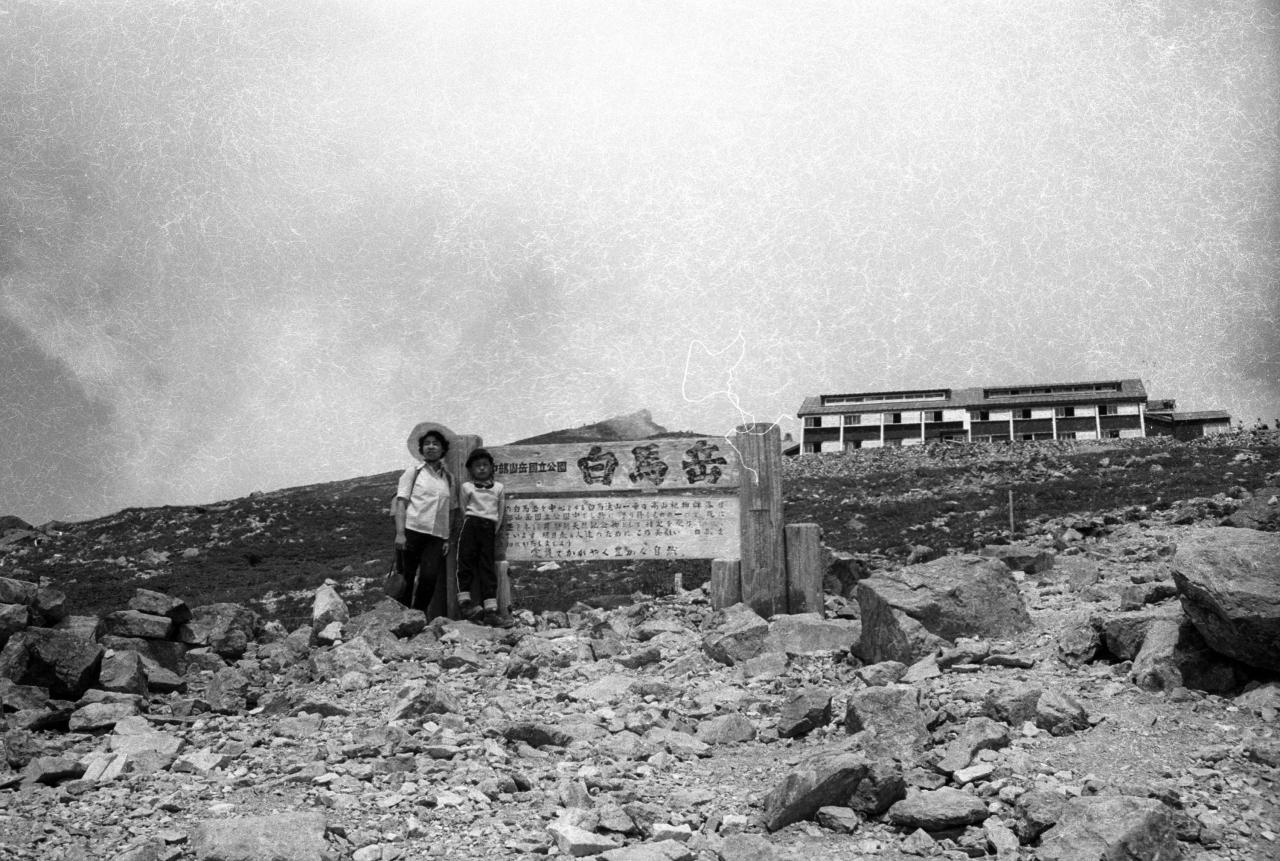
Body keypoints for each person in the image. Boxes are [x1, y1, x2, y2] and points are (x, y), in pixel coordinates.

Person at [394, 422, 457, 615]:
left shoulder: (448, 478)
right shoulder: (413, 472)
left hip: (436, 536)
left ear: (443, 449)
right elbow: (401, 503)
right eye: (427, 443)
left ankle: (418, 615)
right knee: (407, 576)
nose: (431, 447)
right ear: (421, 449)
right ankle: (401, 617)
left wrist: (446, 538)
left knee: (429, 578)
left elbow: (450, 510)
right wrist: (400, 533)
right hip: (412, 531)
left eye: (436, 443)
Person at [457, 448, 513, 628]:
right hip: (471, 525)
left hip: (489, 528)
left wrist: (492, 529)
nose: (481, 468)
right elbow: (463, 508)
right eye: (477, 465)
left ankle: (490, 611)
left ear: (491, 467)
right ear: (471, 469)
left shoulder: (498, 488)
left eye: (485, 465)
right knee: (465, 562)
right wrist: (471, 523)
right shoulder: (466, 487)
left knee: (487, 567)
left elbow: (500, 511)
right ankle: (465, 604)